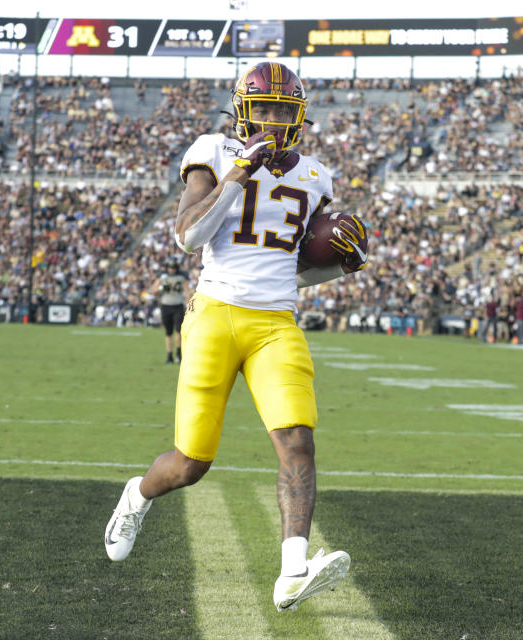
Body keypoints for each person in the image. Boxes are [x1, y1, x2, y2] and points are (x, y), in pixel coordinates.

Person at [103, 62, 367, 612]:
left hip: (276, 323)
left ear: (297, 117)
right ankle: (137, 494)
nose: (271, 120)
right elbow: (189, 236)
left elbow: (290, 267)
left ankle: (293, 571)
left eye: (281, 111)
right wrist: (238, 175)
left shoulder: (316, 177)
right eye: (262, 109)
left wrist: (339, 265)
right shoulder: (215, 151)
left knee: (298, 440)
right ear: (243, 112)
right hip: (216, 316)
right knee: (190, 464)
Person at [159, 257, 189, 364]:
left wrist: (188, 303)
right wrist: (161, 288)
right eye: (170, 267)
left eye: (173, 267)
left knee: (179, 331)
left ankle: (178, 353)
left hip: (178, 306)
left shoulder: (181, 277)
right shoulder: (163, 276)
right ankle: (169, 356)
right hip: (165, 305)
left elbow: (187, 291)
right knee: (168, 332)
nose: (172, 269)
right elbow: (153, 290)